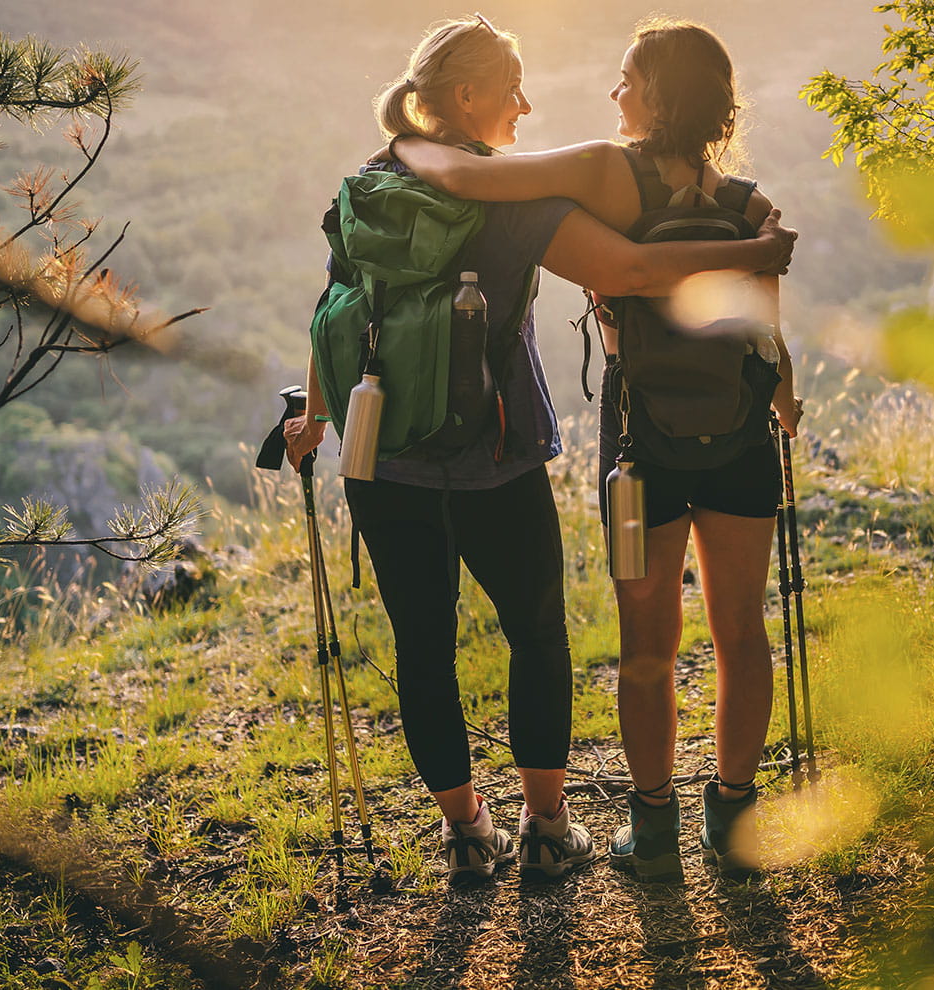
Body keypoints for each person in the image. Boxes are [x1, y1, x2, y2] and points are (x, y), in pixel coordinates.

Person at [283, 15, 795, 882]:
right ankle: (551, 828)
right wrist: (753, 258)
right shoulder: (519, 202)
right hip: (500, 457)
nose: (526, 104)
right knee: (538, 636)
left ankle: (467, 832)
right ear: (470, 94)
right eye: (512, 88)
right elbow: (629, 272)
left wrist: (321, 419)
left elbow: (340, 305)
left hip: (387, 458)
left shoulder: (371, 186)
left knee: (424, 646)